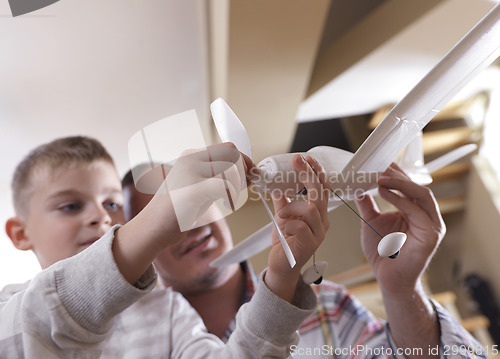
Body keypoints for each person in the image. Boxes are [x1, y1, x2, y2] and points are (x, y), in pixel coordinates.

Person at [0, 136, 331, 358]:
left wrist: (280, 280)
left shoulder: (167, 312)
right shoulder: (8, 307)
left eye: (112, 205)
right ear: (19, 233)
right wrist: (152, 224)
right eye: (71, 206)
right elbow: (33, 327)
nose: (100, 216)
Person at [123, 162, 487, 359]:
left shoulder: (325, 305)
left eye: (194, 201)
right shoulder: (141, 348)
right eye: (164, 217)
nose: (189, 225)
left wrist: (402, 289)